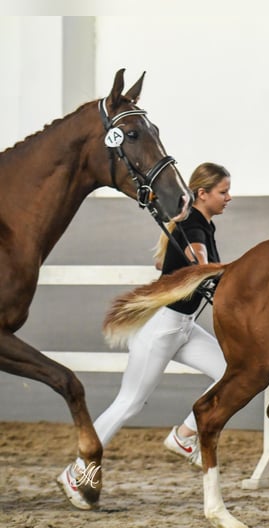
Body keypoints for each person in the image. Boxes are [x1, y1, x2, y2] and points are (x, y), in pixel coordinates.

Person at [57, 162, 232, 510]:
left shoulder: (199, 226)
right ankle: (76, 472)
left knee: (232, 371)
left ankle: (184, 437)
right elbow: (200, 268)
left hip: (183, 327)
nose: (230, 197)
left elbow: (165, 266)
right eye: (223, 191)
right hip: (161, 329)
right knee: (129, 403)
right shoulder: (192, 226)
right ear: (203, 194)